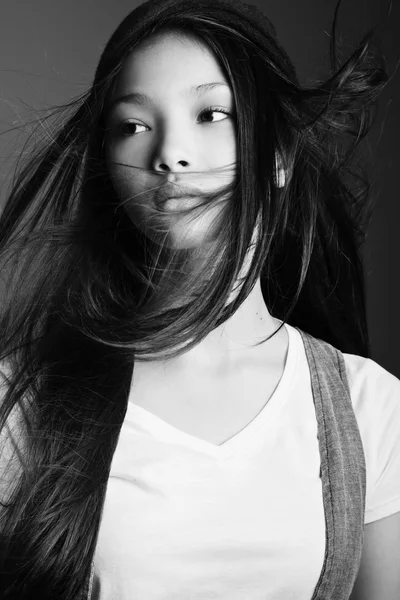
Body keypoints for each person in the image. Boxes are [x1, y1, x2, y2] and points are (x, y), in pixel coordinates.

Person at [0, 0, 399, 598]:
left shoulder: (369, 408)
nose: (169, 155)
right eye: (133, 126)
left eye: (211, 113)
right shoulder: (24, 402)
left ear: (280, 155)